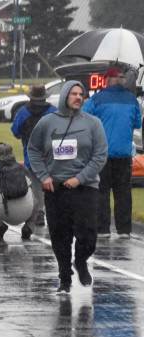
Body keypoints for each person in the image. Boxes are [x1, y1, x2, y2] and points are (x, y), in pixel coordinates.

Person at [28, 80, 108, 293]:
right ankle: (64, 276)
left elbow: (100, 155)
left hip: (85, 187)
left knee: (88, 234)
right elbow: (33, 149)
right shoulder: (47, 122)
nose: (78, 97)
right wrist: (43, 176)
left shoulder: (93, 123)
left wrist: (80, 178)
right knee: (59, 236)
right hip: (56, 188)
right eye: (73, 93)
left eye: (81, 94)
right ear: (64, 96)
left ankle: (80, 261)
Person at [84, 66, 141, 239]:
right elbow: (137, 123)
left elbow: (84, 119)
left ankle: (102, 229)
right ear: (123, 80)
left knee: (102, 192)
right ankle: (124, 230)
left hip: (102, 154)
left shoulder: (97, 99)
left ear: (107, 80)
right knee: (123, 192)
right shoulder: (132, 100)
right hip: (124, 154)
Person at [10, 84, 55, 228]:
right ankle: (53, 212)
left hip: (31, 156)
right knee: (52, 185)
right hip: (52, 156)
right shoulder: (53, 111)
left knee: (35, 186)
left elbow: (16, 132)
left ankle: (38, 212)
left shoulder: (23, 112)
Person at [0, 142, 41, 241]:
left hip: (6, 213)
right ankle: (29, 227)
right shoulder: (22, 169)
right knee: (36, 200)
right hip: (27, 211)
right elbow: (31, 188)